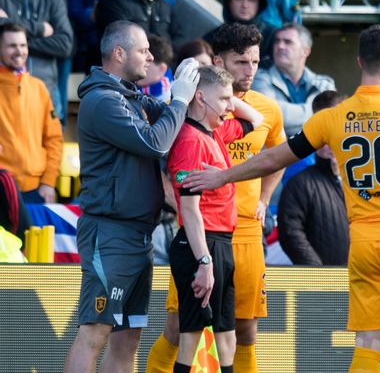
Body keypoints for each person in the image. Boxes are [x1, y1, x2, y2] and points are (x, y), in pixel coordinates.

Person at [183, 24, 380, 372]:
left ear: (360, 61)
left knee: (368, 346)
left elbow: (276, 157)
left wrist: (223, 176)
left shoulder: (333, 118)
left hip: (363, 243)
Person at [146, 22, 286, 373]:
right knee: (179, 328)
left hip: (246, 232)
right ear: (219, 62)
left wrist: (265, 198)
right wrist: (175, 198)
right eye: (241, 62)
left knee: (244, 329)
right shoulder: (189, 111)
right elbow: (156, 157)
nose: (250, 70)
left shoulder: (267, 109)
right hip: (201, 232)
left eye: (255, 62)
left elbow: (280, 155)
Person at [63, 20, 199, 373]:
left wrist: (194, 88)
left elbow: (178, 121)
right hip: (110, 233)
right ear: (119, 53)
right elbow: (156, 142)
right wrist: (179, 98)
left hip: (137, 234)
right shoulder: (102, 101)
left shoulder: (130, 97)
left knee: (129, 338)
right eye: (143, 50)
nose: (151, 56)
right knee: (94, 333)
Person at [166, 65, 264, 373]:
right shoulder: (191, 141)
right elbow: (190, 208)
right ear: (199, 98)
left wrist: (225, 97)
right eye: (223, 100)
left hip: (220, 241)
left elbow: (256, 119)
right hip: (202, 242)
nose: (229, 106)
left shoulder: (214, 131)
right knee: (191, 335)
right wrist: (204, 262)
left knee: (226, 333)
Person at [0, 0, 74, 120]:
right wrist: (40, 28)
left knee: (50, 144)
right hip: (3, 95)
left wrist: (14, 43)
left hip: (46, 91)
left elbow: (64, 44)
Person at [277, 90, 349, 266]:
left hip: (365, 280)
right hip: (323, 286)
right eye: (323, 129)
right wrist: (319, 273)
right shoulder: (300, 184)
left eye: (338, 126)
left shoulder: (366, 179)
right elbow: (291, 233)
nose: (330, 137)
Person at [0, 22, 63, 203]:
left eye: (23, 45)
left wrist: (49, 182)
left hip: (35, 190)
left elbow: (54, 139)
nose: (19, 51)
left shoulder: (39, 88)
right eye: (12, 46)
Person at [252, 23, 336, 137]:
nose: (280, 46)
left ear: (305, 51)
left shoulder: (324, 84)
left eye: (288, 42)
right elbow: (269, 115)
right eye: (277, 41)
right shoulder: (259, 78)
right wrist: (317, 113)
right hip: (276, 153)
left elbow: (331, 122)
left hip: (315, 154)